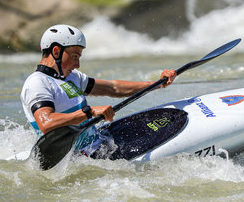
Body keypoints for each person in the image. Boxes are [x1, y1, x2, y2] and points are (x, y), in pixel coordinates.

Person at [20, 24, 177, 156]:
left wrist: (156, 83)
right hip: (75, 158)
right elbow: (46, 123)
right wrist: (89, 112)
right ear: (56, 52)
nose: (77, 64)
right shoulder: (37, 83)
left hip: (97, 144)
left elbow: (113, 88)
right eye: (75, 56)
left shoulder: (72, 77)